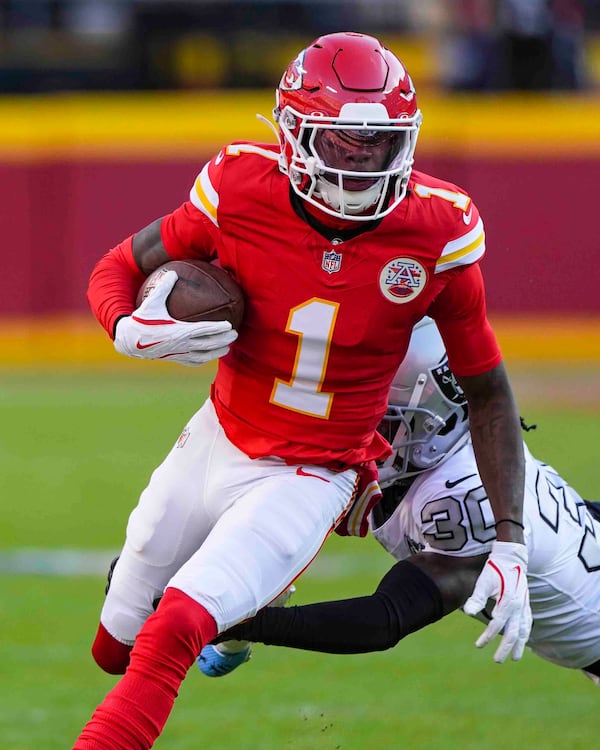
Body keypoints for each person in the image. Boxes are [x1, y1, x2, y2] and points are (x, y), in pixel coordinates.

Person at [74, 32, 531, 749]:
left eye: (377, 144)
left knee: (178, 625)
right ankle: (225, 625)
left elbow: (491, 392)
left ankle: (213, 620)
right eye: (340, 143)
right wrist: (124, 325)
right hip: (219, 436)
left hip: (316, 470)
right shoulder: (239, 187)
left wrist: (509, 540)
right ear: (292, 134)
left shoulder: (436, 229)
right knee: (115, 648)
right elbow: (117, 265)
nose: (360, 163)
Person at [213, 317, 600, 687]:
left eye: (373, 415)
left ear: (431, 418)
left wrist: (246, 624)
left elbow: (385, 618)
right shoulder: (459, 449)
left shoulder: (461, 500)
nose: (352, 423)